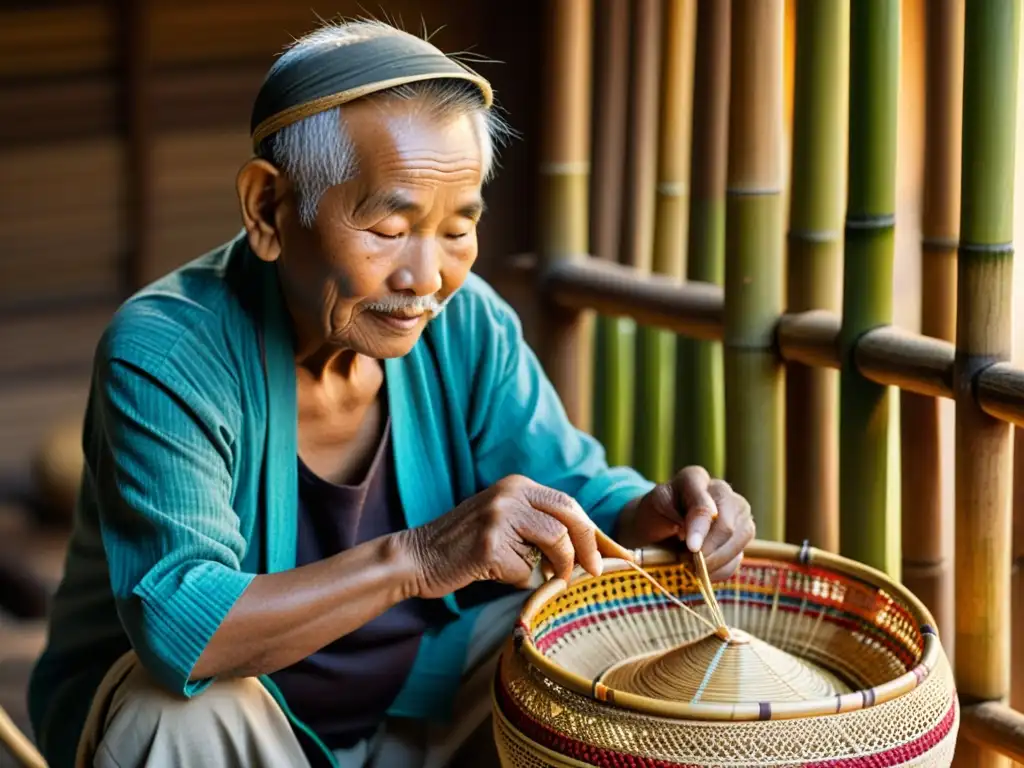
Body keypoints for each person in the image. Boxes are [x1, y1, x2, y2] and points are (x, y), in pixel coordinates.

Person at [27, 19, 756, 768]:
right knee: (175, 710)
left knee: (599, 635)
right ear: (269, 210)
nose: (425, 278)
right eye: (387, 226)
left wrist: (653, 514)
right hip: (239, 737)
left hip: (418, 709)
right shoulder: (168, 353)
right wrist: (419, 557)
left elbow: (570, 485)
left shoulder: (467, 322)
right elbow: (183, 625)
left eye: (456, 229)